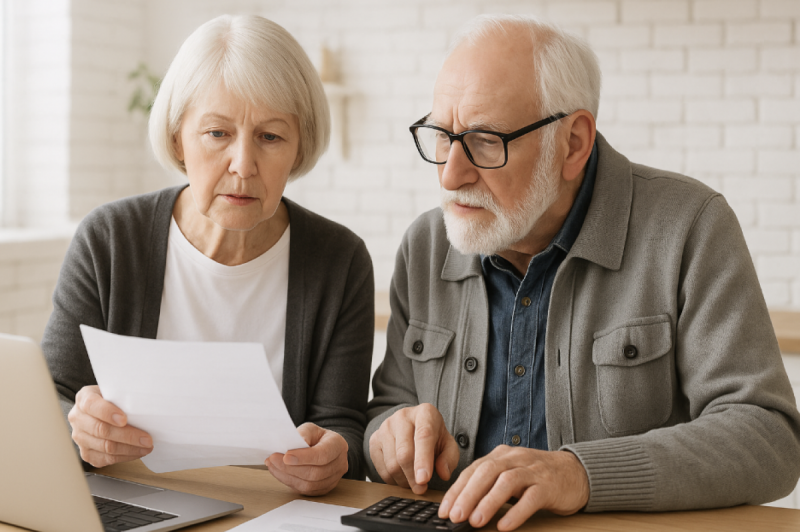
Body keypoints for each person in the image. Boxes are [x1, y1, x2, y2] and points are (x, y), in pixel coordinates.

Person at [366, 14, 800, 530]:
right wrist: (387, 437)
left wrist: (579, 473)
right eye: (442, 134)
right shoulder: (426, 242)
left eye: (484, 140)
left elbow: (768, 438)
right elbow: (387, 409)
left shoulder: (691, 226)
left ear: (572, 143)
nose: (450, 175)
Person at [43, 14, 374, 496]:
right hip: (130, 504)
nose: (243, 165)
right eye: (217, 133)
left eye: (270, 136)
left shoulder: (340, 261)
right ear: (179, 138)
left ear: (299, 148)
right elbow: (50, 397)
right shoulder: (109, 239)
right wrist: (81, 429)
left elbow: (343, 426)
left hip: (273, 516)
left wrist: (333, 454)